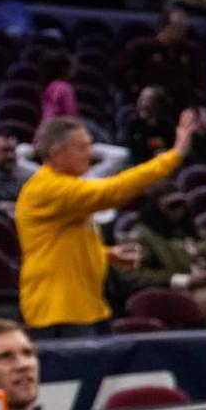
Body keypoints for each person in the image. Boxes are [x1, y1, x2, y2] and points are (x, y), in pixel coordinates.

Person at [17, 113, 195, 334]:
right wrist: (174, 156)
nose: (90, 154)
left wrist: (107, 254)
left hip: (86, 306)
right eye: (81, 147)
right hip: (58, 311)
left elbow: (62, 243)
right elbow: (112, 191)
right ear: (56, 153)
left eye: (90, 146)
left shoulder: (63, 186)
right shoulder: (48, 188)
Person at [128, 187, 206, 310]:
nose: (179, 211)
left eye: (182, 204)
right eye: (172, 206)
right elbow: (134, 276)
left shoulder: (192, 229)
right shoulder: (142, 236)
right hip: (179, 294)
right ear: (156, 208)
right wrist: (184, 280)